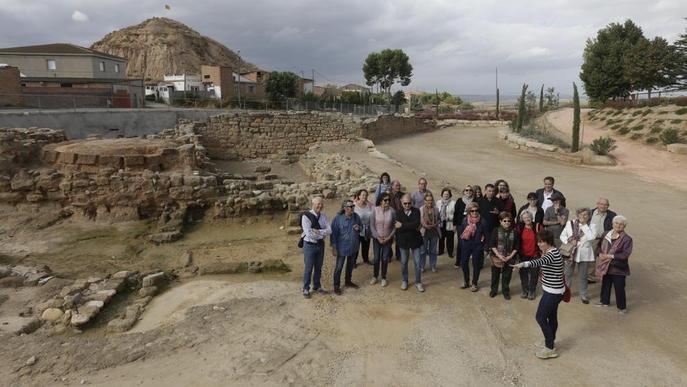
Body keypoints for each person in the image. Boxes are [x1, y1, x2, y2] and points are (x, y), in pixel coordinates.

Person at [512, 230, 565, 359]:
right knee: (551, 317)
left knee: (540, 317)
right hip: (551, 289)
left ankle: (549, 348)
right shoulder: (548, 251)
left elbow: (536, 263)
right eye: (538, 241)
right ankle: (550, 341)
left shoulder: (551, 254)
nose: (539, 244)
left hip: (554, 291)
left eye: (542, 242)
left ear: (549, 242)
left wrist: (523, 264)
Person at [595, 215, 633, 314]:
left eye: (621, 224)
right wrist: (599, 254)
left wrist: (609, 256)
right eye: (616, 223)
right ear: (612, 224)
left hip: (618, 268)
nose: (618, 225)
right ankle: (604, 302)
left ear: (624, 226)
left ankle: (622, 308)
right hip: (605, 266)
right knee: (605, 284)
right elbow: (598, 246)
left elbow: (625, 254)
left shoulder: (627, 239)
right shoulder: (606, 234)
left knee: (619, 287)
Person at [559, 208, 596, 304]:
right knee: (567, 274)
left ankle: (583, 294)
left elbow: (591, 237)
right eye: (580, 214)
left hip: (584, 254)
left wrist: (584, 225)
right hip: (570, 253)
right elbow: (562, 236)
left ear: (589, 216)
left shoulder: (592, 226)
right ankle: (565, 293)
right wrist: (569, 240)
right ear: (577, 215)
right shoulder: (570, 223)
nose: (582, 217)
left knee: (583, 275)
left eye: (585, 215)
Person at [301, 196, 332, 299]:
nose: (320, 205)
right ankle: (306, 288)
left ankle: (317, 286)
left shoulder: (323, 216)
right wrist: (322, 234)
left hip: (320, 244)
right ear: (312, 204)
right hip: (309, 245)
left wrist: (319, 231)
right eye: (318, 203)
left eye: (321, 204)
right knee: (309, 267)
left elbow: (329, 230)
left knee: (318, 267)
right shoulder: (306, 216)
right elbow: (309, 234)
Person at [330, 200, 362, 295]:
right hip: (342, 248)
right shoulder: (337, 218)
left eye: (353, 206)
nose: (352, 208)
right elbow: (333, 235)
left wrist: (359, 228)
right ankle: (336, 286)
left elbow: (362, 228)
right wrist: (334, 247)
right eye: (350, 206)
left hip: (353, 247)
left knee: (350, 266)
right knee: (339, 267)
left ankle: (348, 281)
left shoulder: (356, 217)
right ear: (344, 208)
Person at [394, 193, 424, 292]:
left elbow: (416, 224)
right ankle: (405, 280)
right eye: (405, 203)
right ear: (401, 203)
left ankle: (418, 282)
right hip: (403, 242)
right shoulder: (398, 213)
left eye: (409, 203)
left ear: (412, 202)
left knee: (418, 263)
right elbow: (398, 228)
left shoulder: (416, 211)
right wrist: (410, 226)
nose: (407, 205)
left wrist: (402, 225)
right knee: (403, 263)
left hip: (416, 241)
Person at [458, 201, 489, 291]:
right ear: (469, 211)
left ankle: (474, 283)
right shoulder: (464, 220)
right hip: (466, 244)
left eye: (476, 210)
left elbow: (487, 236)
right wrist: (461, 243)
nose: (474, 212)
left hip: (477, 246)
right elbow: (461, 233)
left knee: (476, 265)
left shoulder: (483, 221)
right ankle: (466, 281)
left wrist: (486, 248)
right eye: (472, 211)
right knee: (464, 263)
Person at [489, 212, 520, 299]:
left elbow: (517, 246)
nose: (507, 222)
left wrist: (510, 256)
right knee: (495, 275)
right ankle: (494, 290)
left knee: (507, 275)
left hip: (510, 257)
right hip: (497, 257)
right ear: (500, 221)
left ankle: (505, 291)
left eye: (509, 221)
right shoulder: (496, 230)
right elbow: (492, 244)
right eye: (504, 221)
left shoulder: (514, 232)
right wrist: (499, 255)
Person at [588, 197, 617, 283]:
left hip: (605, 240)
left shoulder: (612, 215)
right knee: (591, 258)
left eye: (605, 205)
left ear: (608, 206)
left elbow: (615, 228)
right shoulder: (591, 212)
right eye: (601, 204)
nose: (603, 206)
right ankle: (590, 277)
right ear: (597, 204)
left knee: (605, 258)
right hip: (593, 239)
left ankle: (606, 276)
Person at [370, 192, 396, 287]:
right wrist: (377, 237)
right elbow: (372, 225)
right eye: (385, 200)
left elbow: (394, 226)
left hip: (387, 239)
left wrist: (389, 237)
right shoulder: (375, 210)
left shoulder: (392, 211)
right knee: (376, 258)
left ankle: (384, 277)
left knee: (385, 258)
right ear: (381, 201)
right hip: (377, 238)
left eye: (389, 200)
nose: (387, 202)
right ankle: (375, 276)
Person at [517, 211, 542, 300]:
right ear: (522, 219)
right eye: (525, 218)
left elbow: (543, 240)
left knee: (534, 274)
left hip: (535, 254)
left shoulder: (537, 227)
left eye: (528, 217)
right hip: (523, 255)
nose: (527, 219)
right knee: (523, 274)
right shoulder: (520, 227)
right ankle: (525, 290)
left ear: (532, 217)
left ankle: (532, 291)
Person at [453, 185, 476, 268]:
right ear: (464, 191)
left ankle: (466, 261)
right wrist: (454, 225)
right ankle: (458, 261)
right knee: (461, 243)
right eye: (466, 190)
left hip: (471, 224)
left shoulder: (475, 201)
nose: (468, 192)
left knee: (470, 243)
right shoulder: (459, 200)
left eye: (470, 190)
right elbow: (456, 213)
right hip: (460, 224)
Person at [420, 192, 441, 272]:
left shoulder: (436, 209)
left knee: (433, 250)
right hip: (424, 232)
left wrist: (436, 223)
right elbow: (421, 220)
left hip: (434, 232)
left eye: (431, 200)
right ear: (424, 201)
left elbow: (439, 219)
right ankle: (422, 266)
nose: (430, 202)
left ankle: (433, 265)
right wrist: (425, 225)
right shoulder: (421, 209)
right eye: (428, 200)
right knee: (423, 251)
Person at [354, 189, 374, 266]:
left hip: (367, 229)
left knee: (366, 245)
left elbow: (375, 209)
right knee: (356, 246)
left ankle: (366, 259)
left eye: (366, 195)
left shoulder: (369, 205)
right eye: (363, 195)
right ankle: (353, 262)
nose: (365, 197)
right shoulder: (354, 205)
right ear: (359, 196)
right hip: (357, 229)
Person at [436, 188, 456, 258]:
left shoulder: (453, 203)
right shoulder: (438, 202)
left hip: (449, 223)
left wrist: (449, 217)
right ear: (442, 194)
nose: (446, 195)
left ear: (450, 195)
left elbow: (455, 214)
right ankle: (441, 250)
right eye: (444, 194)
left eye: (447, 194)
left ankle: (450, 252)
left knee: (450, 239)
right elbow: (436, 212)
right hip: (441, 223)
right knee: (441, 238)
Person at [389, 179, 405, 261]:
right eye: (396, 185)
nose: (398, 187)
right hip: (390, 219)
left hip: (400, 219)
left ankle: (398, 255)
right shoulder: (387, 195)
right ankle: (389, 255)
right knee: (390, 238)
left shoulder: (403, 195)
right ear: (392, 186)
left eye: (399, 185)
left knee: (399, 238)